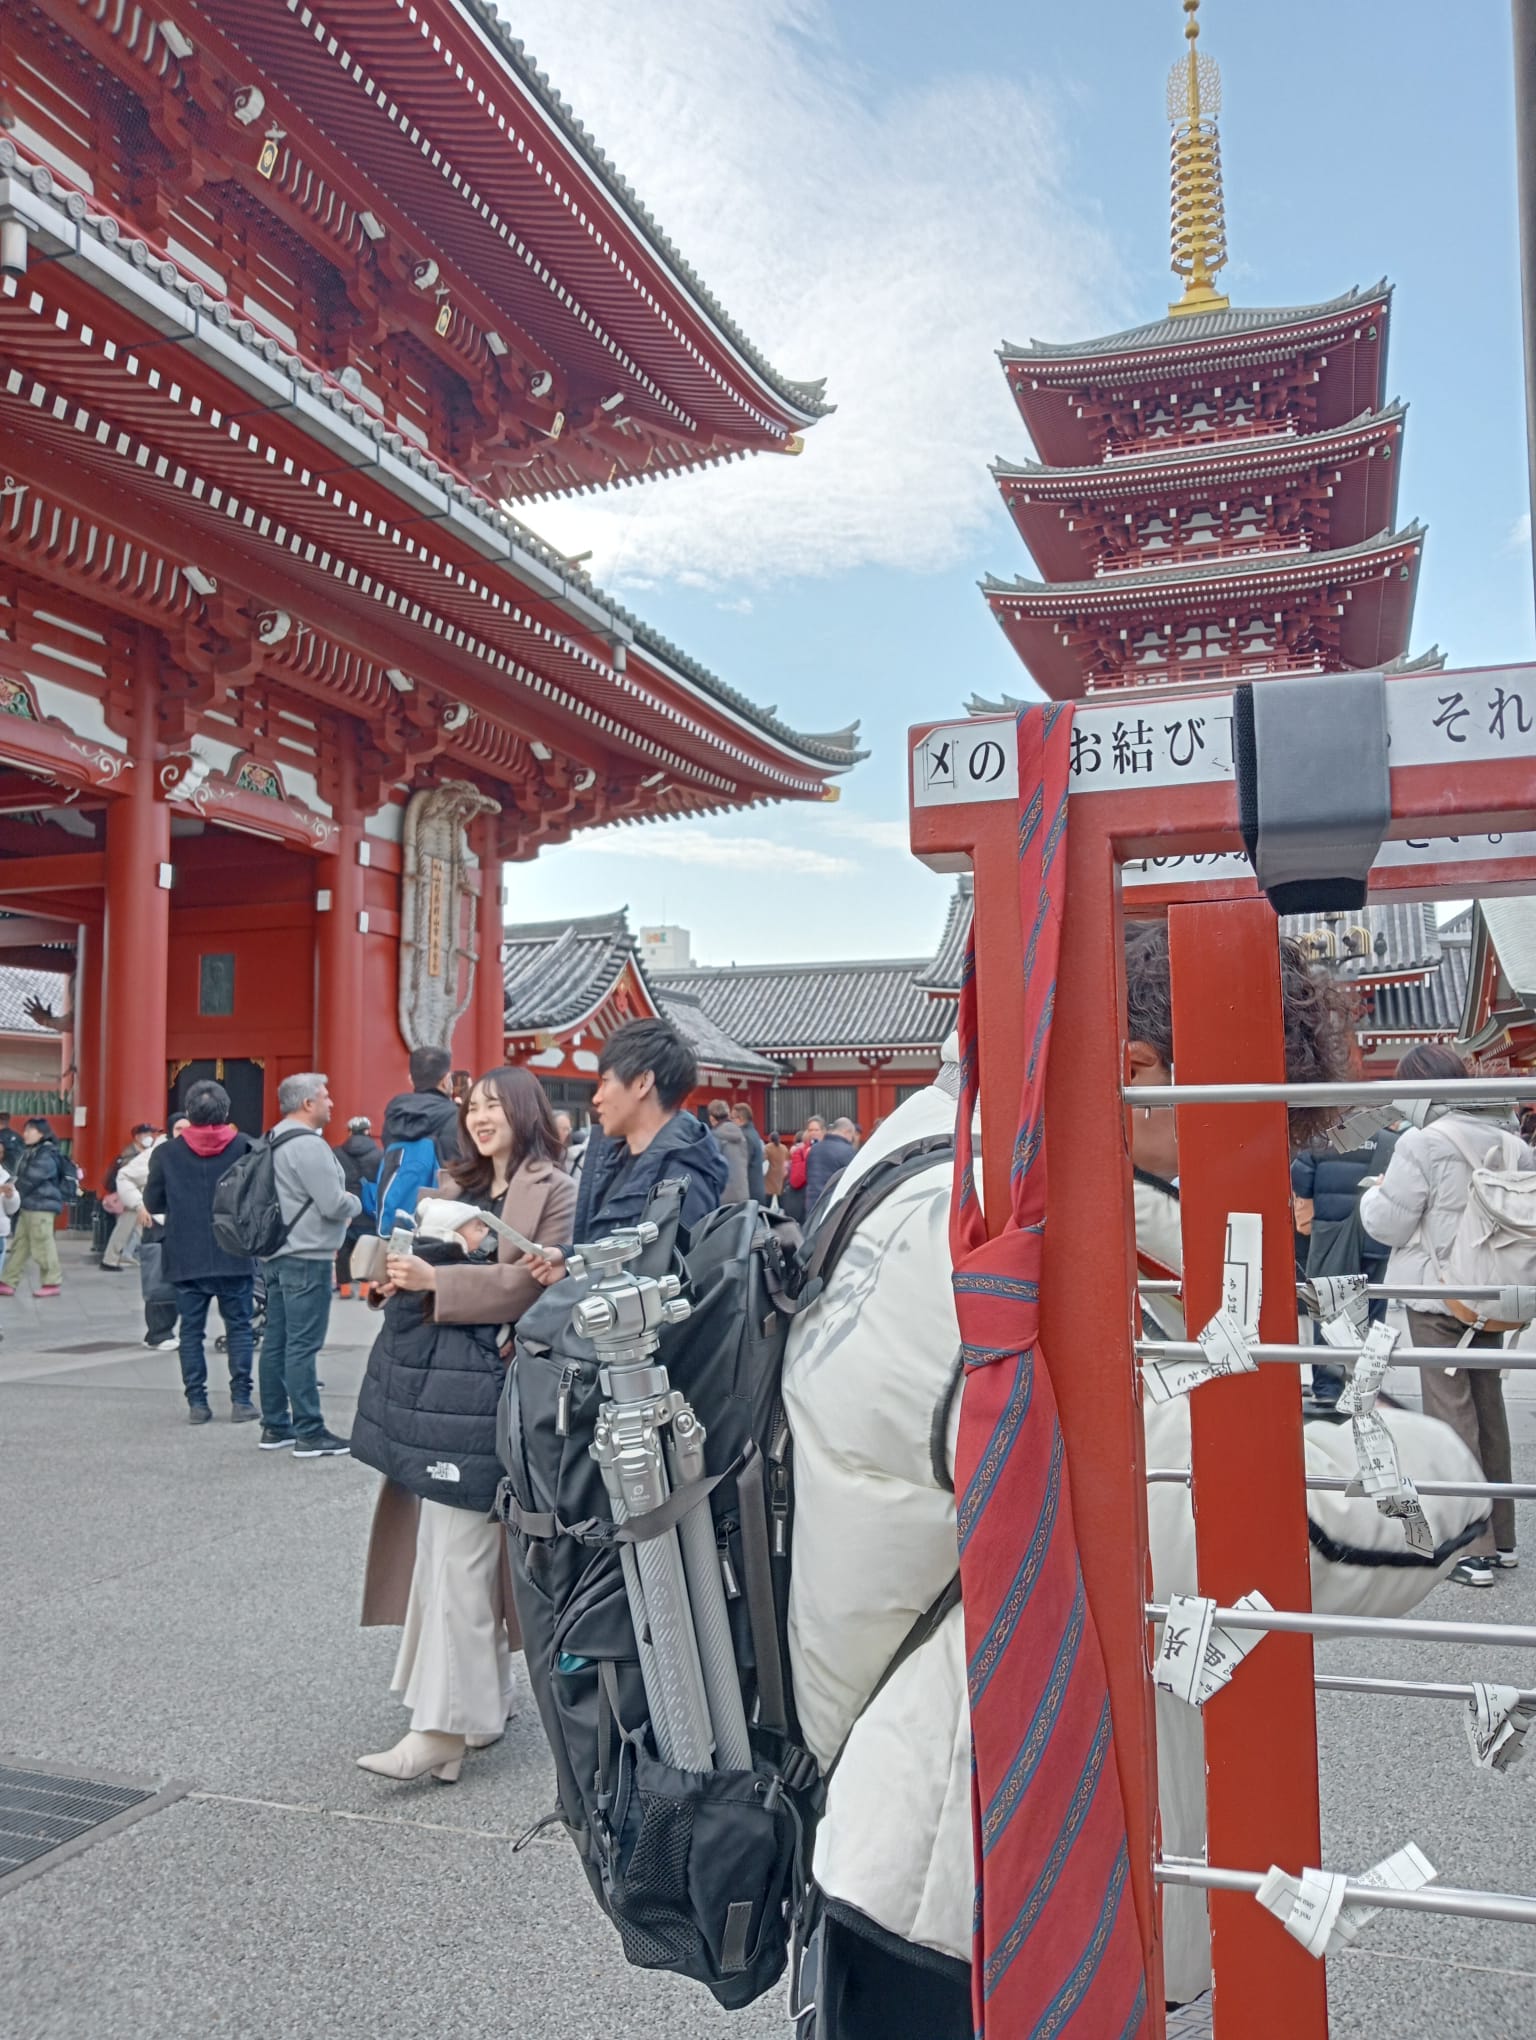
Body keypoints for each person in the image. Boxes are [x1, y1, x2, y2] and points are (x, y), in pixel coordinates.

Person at [781, 923, 1488, 2026]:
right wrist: (1449, 1472)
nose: (1244, 1159)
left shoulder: (934, 1156)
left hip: (897, 1787)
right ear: (1143, 1073)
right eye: (1236, 1120)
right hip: (978, 1847)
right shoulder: (1022, 1250)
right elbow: (1219, 1509)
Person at [355, 1066, 576, 1782]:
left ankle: (444, 1730)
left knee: (458, 1552)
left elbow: (535, 1288)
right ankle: (476, 1708)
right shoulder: (454, 1189)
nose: (480, 1118)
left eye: (493, 1106)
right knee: (452, 1554)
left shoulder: (556, 1190)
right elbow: (424, 1261)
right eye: (473, 1106)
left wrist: (441, 1282)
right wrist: (396, 1275)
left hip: (498, 1390)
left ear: (524, 1111)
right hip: (438, 1388)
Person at [1360, 1041, 1532, 1588]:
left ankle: (1469, 1550)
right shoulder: (1508, 1139)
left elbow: (1387, 1224)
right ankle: (1502, 1539)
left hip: (1439, 1297)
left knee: (1449, 1411)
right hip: (1494, 1295)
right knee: (1489, 1406)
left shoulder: (1422, 1143)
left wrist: (1377, 1192)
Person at [525, 1019, 725, 1287]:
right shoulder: (615, 1159)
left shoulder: (684, 1179)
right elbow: (617, 1250)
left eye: (605, 1082)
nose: (596, 1099)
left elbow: (669, 1285)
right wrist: (571, 1260)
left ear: (643, 1082)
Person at [257, 1071, 359, 1457]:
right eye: (326, 1096)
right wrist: (355, 1203)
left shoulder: (272, 1139)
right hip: (308, 1253)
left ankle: (275, 1425)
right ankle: (310, 1431)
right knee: (303, 1345)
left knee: (277, 1341)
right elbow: (333, 1203)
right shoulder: (309, 1146)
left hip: (276, 1252)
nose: (331, 1103)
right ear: (307, 1103)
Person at [143, 1086, 257, 1424]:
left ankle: (197, 1402)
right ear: (226, 1111)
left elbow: (153, 1202)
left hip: (185, 1249)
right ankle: (241, 1400)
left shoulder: (166, 1154)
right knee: (239, 1327)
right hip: (234, 1249)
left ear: (188, 1113)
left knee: (191, 1331)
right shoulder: (245, 1146)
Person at [1290, 1127, 1398, 1408]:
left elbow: (1299, 1178)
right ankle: (1365, 1386)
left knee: (1329, 1311)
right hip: (1375, 1239)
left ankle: (1328, 1387)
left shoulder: (1320, 1140)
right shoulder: (1390, 1142)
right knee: (1374, 1315)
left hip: (1330, 1237)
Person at [121, 1120, 185, 1351]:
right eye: (179, 1129)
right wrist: (139, 1205)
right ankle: (158, 1332)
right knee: (158, 1277)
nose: (183, 1133)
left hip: (183, 1223)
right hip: (158, 1222)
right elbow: (124, 1177)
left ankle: (165, 1330)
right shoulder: (156, 1153)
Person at [0, 1119, 71, 1298]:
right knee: (20, 1244)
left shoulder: (47, 1153)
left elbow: (32, 1178)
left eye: (30, 1130)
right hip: (29, 1205)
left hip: (42, 1206)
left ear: (41, 1133)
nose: (25, 1134)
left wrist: (12, 1190)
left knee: (42, 1243)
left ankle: (52, 1281)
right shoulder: (32, 1151)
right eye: (25, 1130)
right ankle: (8, 1281)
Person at [380, 1045, 464, 1166]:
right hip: (440, 1184)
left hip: (398, 1184)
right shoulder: (454, 1115)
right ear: (446, 1081)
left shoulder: (395, 1113)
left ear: (411, 1080)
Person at [335, 1114, 383, 1298]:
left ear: (349, 1132)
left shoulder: (337, 1152)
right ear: (368, 1131)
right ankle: (365, 1290)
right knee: (367, 1249)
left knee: (344, 1250)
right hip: (368, 1208)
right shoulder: (379, 1154)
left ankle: (345, 1289)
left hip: (345, 1207)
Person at [101, 1124, 156, 1271]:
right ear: (137, 1137)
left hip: (140, 1199)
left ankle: (127, 1256)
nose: (150, 1137)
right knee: (124, 1229)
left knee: (140, 1230)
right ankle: (110, 1259)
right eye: (147, 1134)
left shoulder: (145, 1152)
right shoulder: (129, 1155)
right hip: (131, 1200)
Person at [805, 1115, 857, 1215]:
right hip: (833, 1206)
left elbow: (807, 1175)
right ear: (847, 1132)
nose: (851, 1140)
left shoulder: (814, 1149)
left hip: (812, 1203)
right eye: (852, 1136)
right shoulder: (847, 1151)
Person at [707, 1098, 750, 1203]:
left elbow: (711, 1165)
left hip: (723, 1195)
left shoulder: (714, 1137)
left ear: (712, 1118)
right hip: (743, 1192)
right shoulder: (741, 1135)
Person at [782, 1116, 824, 1224]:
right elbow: (795, 1181)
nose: (813, 1133)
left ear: (823, 1132)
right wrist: (808, 1159)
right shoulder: (800, 1152)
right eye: (810, 1130)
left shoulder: (829, 1150)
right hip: (804, 1202)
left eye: (816, 1130)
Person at [733, 1102, 767, 1204]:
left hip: (749, 1190)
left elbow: (743, 1164)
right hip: (757, 1188)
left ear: (741, 1119)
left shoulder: (744, 1137)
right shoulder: (753, 1133)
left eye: (733, 1118)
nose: (731, 1122)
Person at [764, 1127, 790, 1206]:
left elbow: (763, 1158)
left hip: (770, 1175)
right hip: (781, 1175)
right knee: (781, 1201)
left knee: (768, 1200)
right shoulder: (784, 1148)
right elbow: (787, 1159)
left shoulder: (768, 1147)